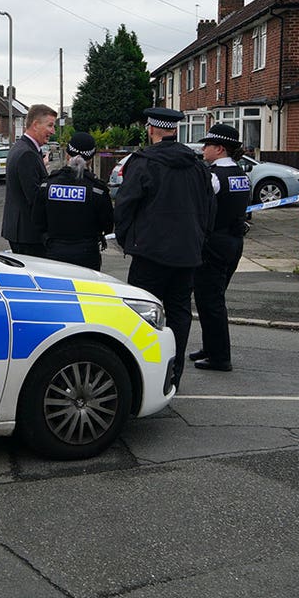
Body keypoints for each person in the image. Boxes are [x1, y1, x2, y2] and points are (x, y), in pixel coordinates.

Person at [114, 107, 214, 391]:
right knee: (180, 314)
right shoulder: (197, 165)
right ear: (175, 130)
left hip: (150, 254)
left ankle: (143, 377)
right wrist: (199, 240)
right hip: (187, 255)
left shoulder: (142, 162)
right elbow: (209, 209)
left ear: (150, 129)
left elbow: (125, 205)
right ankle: (174, 375)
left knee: (141, 315)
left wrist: (125, 239)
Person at [190, 124, 250, 372]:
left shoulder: (214, 177)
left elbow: (200, 208)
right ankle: (210, 347)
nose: (203, 149)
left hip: (214, 243)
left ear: (220, 148)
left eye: (208, 145)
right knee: (213, 297)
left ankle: (219, 357)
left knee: (210, 300)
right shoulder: (240, 175)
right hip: (234, 242)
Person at [31, 131, 113, 270]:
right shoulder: (97, 190)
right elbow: (107, 225)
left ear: (68, 154)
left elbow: (37, 220)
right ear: (91, 158)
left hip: (54, 254)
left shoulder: (48, 186)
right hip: (87, 255)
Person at [1, 103, 57, 256]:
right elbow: (35, 198)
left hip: (21, 231)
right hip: (28, 235)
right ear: (36, 124)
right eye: (50, 125)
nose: (53, 131)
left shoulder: (21, 147)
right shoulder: (28, 154)